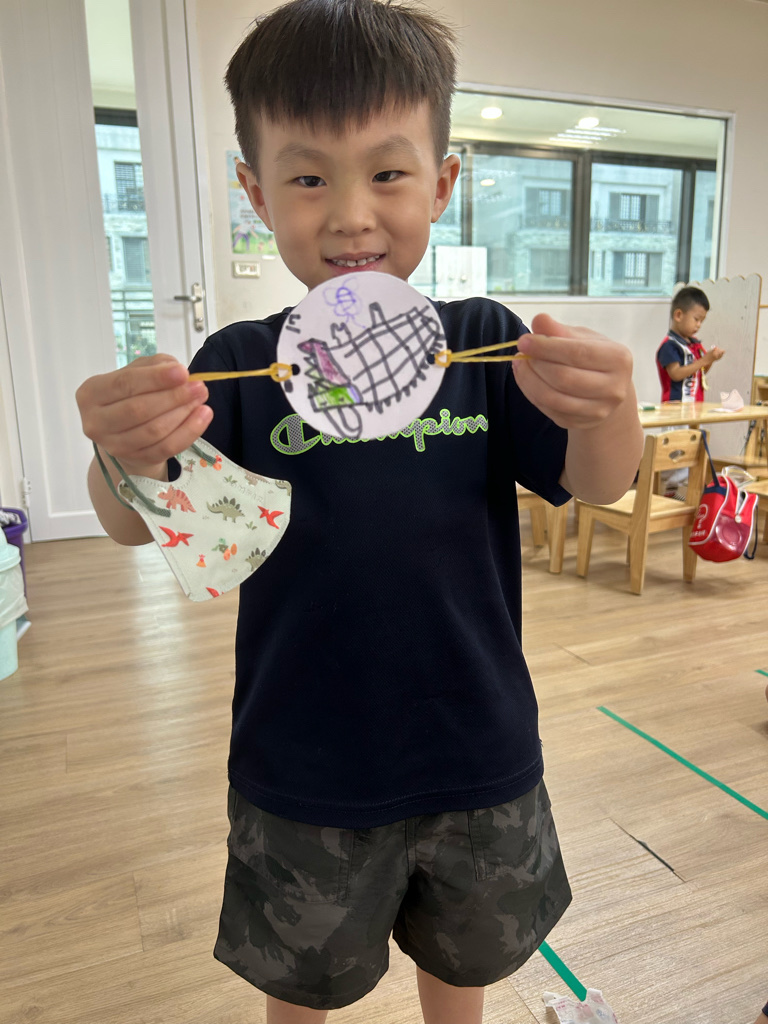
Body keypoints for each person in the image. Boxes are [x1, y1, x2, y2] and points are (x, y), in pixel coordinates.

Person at [75, 2, 644, 1021]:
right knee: (303, 984)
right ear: (256, 192)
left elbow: (599, 482)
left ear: (444, 182)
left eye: (387, 172)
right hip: (302, 765)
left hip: (478, 749)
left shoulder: (483, 344)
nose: (350, 214)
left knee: (464, 969)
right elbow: (135, 521)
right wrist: (121, 449)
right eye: (308, 178)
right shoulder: (239, 365)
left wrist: (611, 408)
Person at [656, 286, 725, 404]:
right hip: (675, 407)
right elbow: (676, 374)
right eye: (696, 319)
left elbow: (701, 370)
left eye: (701, 321)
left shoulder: (695, 344)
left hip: (695, 405)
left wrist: (711, 359)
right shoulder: (669, 345)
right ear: (678, 315)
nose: (699, 325)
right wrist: (704, 360)